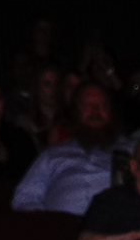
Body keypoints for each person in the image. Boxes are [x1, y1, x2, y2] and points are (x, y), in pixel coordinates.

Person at [12, 81, 125, 215]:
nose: (95, 111)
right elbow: (24, 197)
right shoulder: (52, 154)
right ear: (75, 112)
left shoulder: (133, 150)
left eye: (102, 105)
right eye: (87, 105)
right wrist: (43, 221)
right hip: (59, 226)